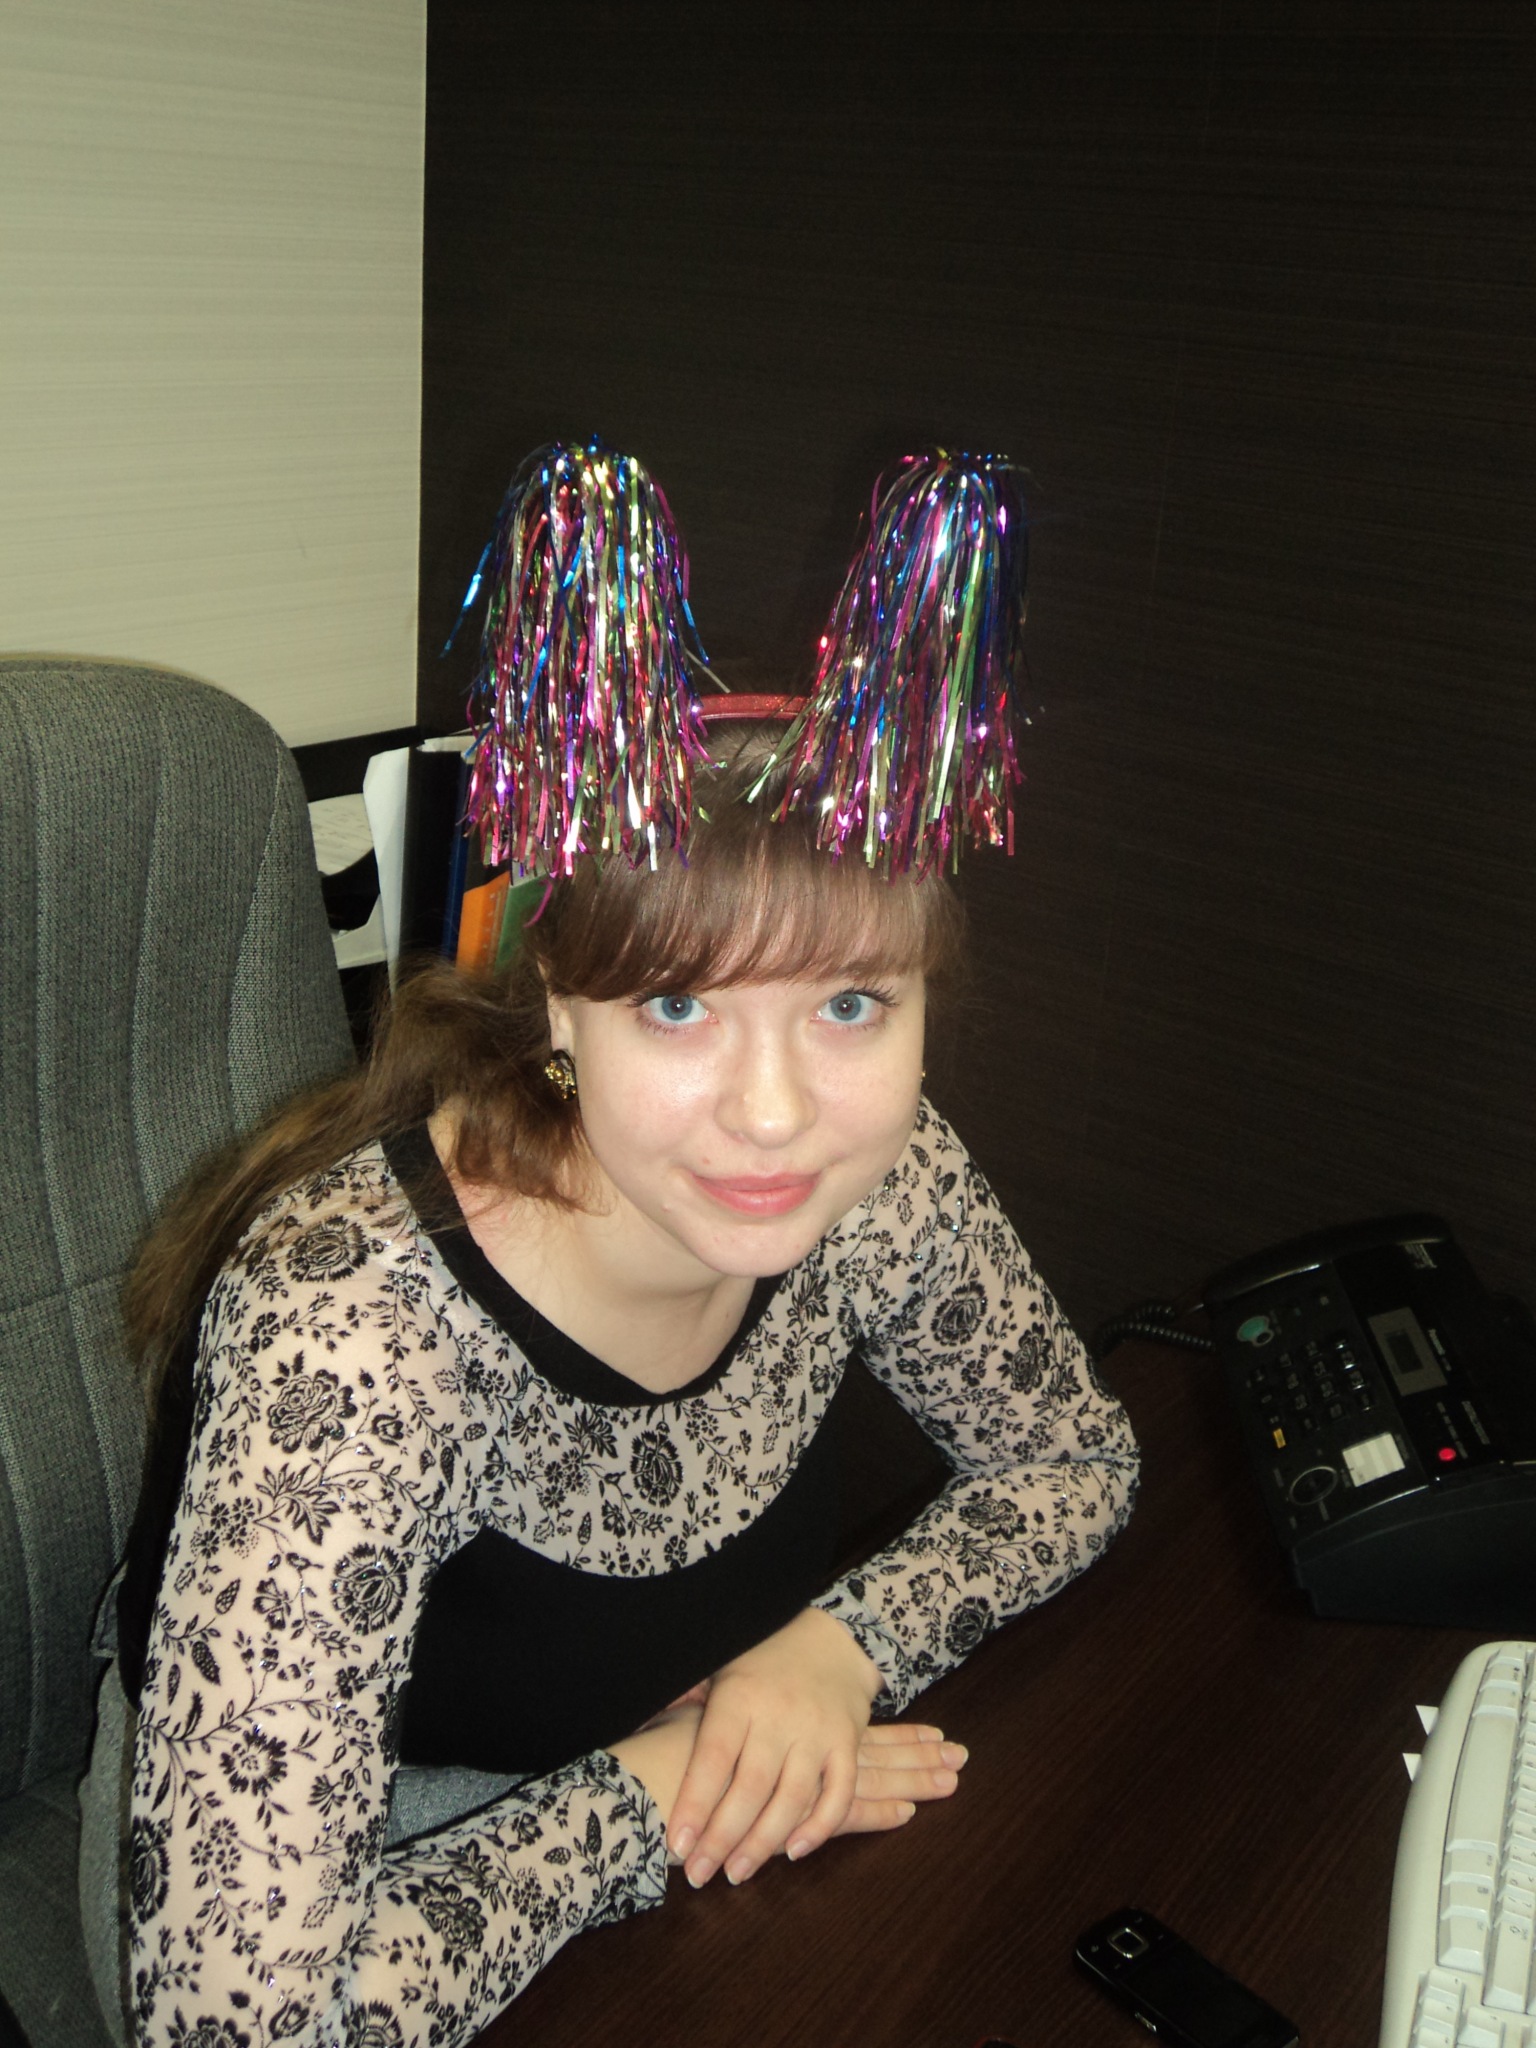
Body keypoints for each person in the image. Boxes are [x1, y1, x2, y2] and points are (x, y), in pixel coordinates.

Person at [81, 443, 1140, 2047]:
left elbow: (1071, 1458)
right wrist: (649, 1792)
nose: (777, 1114)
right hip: (339, 1875)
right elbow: (238, 2023)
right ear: (561, 1010)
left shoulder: (883, 1176)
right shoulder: (353, 1331)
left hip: (698, 1800)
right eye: (681, 1005)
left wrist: (837, 1647)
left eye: (854, 1004)